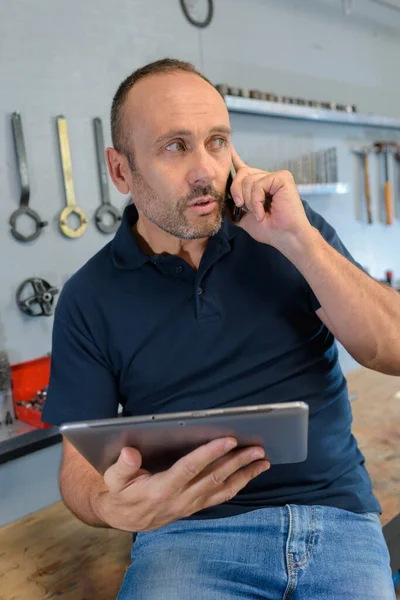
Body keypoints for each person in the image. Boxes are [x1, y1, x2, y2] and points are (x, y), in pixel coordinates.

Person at [42, 58, 400, 599]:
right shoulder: (88, 297)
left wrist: (297, 240)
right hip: (187, 537)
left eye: (217, 141)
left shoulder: (292, 234)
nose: (206, 169)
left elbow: (391, 349)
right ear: (120, 171)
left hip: (337, 520)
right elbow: (79, 461)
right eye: (174, 146)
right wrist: (106, 504)